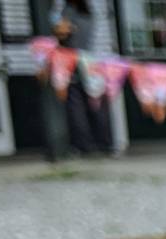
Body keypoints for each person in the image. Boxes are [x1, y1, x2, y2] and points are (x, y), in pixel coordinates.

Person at [53, 0, 112, 156]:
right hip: (92, 62)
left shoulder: (68, 11)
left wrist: (55, 29)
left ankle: (83, 145)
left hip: (72, 63)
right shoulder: (89, 12)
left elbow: (61, 32)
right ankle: (105, 143)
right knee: (97, 105)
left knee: (75, 105)